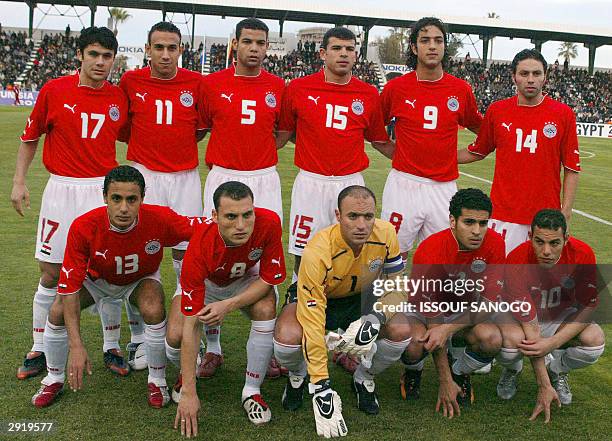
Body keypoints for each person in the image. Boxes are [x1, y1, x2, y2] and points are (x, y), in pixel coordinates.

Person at [31, 166, 205, 409]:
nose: (124, 208)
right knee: (58, 311)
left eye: (132, 199)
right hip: (97, 281)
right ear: (105, 198)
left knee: (153, 307)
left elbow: (204, 228)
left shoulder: (160, 218)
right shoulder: (84, 226)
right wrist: (77, 345)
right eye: (117, 199)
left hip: (139, 279)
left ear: (142, 199)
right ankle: (54, 378)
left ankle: (157, 380)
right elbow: (69, 290)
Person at [11, 26, 129, 381]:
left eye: (106, 56)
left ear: (113, 60)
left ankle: (112, 345)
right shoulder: (54, 90)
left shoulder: (118, 97)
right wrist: (18, 181)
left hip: (101, 192)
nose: (100, 62)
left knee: (107, 270)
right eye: (93, 54)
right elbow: (30, 138)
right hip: (61, 190)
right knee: (51, 271)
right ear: (79, 55)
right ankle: (40, 346)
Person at [276, 27, 393, 353]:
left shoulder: (368, 93)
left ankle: (346, 327)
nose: (344, 54)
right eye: (337, 48)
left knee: (357, 251)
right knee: (303, 252)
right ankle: (302, 305)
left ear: (356, 54)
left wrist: (414, 162)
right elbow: (285, 132)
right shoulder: (298, 88)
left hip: (351, 183)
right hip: (311, 181)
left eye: (349, 49)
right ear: (322, 54)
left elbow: (380, 140)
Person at [273, 186, 410, 438]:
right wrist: (321, 385)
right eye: (352, 217)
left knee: (401, 330)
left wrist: (375, 318)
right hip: (320, 298)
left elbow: (397, 285)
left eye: (368, 217)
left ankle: (363, 377)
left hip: (362, 298)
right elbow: (313, 322)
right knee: (286, 338)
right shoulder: (317, 251)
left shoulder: (387, 232)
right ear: (338, 215)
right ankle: (298, 375)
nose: (362, 225)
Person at [196, 17, 286, 379]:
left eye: (260, 42)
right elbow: (201, 128)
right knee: (211, 254)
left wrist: (256, 157)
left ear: (267, 46)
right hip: (223, 175)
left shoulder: (280, 86)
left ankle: (273, 347)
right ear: (235, 44)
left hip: (264, 178)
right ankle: (212, 347)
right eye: (247, 41)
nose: (254, 48)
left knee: (267, 255)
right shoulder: (211, 84)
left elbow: (281, 133)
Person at [119, 21, 207, 366]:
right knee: (140, 257)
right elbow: (125, 129)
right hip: (145, 176)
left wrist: (174, 153)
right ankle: (139, 338)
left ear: (181, 50)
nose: (166, 54)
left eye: (173, 47)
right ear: (148, 49)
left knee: (187, 257)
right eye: (159, 47)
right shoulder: (130, 82)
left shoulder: (196, 84)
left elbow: (198, 130)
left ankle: (189, 333)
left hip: (185, 177)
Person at [173, 182, 285, 434]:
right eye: (231, 216)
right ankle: (190, 370)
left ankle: (252, 391)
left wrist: (227, 305)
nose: (241, 225)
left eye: (247, 214)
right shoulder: (199, 245)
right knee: (175, 337)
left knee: (266, 308)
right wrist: (190, 393)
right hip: (206, 284)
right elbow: (191, 324)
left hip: (245, 280)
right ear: (214, 216)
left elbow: (269, 279)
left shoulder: (268, 223)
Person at [458, 49, 580, 255]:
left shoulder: (563, 114)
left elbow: (571, 168)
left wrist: (566, 212)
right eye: (524, 74)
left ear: (545, 76)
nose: (530, 79)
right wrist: (437, 158)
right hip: (503, 215)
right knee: (500, 280)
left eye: (536, 73)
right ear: (514, 76)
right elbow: (477, 151)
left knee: (538, 282)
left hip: (545, 219)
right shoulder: (498, 111)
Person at [380, 17, 482, 260]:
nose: (432, 46)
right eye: (425, 40)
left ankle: (430, 299)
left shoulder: (460, 89)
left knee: (441, 258)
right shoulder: (396, 88)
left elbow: (484, 132)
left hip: (444, 188)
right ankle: (389, 299)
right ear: (414, 48)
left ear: (445, 47)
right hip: (403, 184)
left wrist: (455, 157)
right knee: (392, 256)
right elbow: (374, 131)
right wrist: (401, 154)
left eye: (438, 40)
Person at [401, 189, 505, 417]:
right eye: (469, 222)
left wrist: (449, 329)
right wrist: (443, 380)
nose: (477, 231)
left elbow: (488, 304)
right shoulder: (431, 250)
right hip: (425, 312)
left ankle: (460, 371)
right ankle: (413, 370)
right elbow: (433, 321)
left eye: (483, 223)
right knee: (414, 347)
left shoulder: (495, 244)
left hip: (463, 311)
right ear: (452, 221)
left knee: (492, 339)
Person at [498, 209, 603, 422]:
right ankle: (513, 369)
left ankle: (557, 370)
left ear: (566, 238)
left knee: (595, 341)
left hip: (558, 317)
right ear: (530, 238)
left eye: (554, 243)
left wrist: (553, 343)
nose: (546, 251)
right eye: (539, 242)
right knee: (509, 347)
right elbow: (531, 328)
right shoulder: (517, 259)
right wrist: (543, 386)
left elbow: (588, 306)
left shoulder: (582, 254)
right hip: (524, 321)